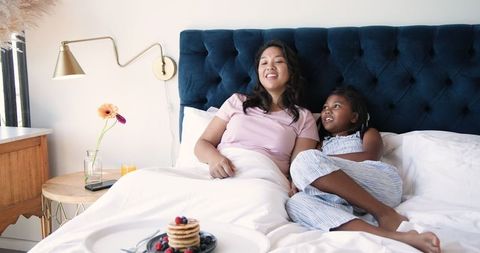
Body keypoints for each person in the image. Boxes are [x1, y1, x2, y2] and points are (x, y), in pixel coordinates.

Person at [286, 86, 441, 253]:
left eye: (336, 106)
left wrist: (323, 162)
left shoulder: (366, 133)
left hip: (379, 187)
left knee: (304, 159)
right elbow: (310, 168)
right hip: (345, 202)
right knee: (295, 203)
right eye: (324, 108)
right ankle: (396, 237)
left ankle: (384, 213)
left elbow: (370, 156)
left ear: (354, 117)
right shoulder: (320, 146)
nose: (327, 111)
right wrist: (304, 177)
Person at [194, 40, 319, 182]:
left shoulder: (304, 118)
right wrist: (214, 159)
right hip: (220, 174)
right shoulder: (237, 101)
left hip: (264, 179)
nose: (270, 67)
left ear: (291, 69)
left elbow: (300, 167)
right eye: (264, 63)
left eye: (278, 61)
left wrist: (294, 184)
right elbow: (202, 143)